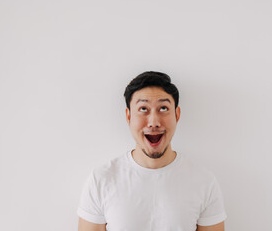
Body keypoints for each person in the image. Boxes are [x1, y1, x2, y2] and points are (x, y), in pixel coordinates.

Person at [77, 71, 227, 231]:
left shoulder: (203, 181)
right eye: (143, 109)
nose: (154, 122)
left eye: (163, 108)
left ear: (177, 115)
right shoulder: (101, 180)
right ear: (128, 116)